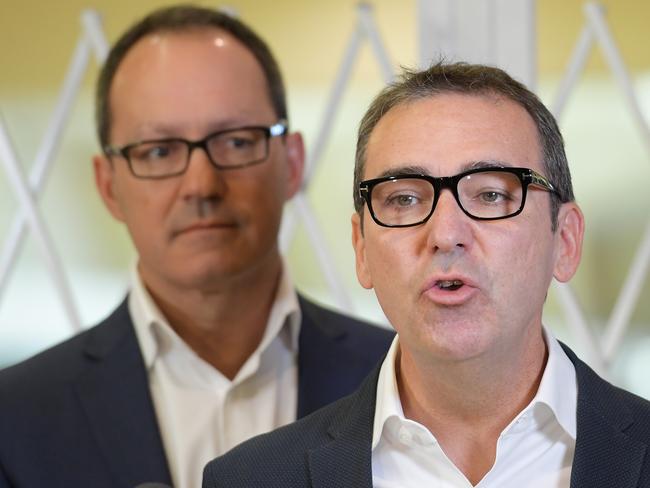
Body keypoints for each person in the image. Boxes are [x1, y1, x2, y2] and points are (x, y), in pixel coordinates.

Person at [202, 62, 650, 488]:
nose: (446, 234)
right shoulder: (253, 478)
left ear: (565, 241)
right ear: (361, 248)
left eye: (491, 194)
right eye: (404, 200)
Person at [0, 5, 393, 488]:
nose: (201, 185)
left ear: (292, 164)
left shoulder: (401, 381)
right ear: (107, 186)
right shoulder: (15, 419)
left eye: (235, 142)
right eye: (159, 151)